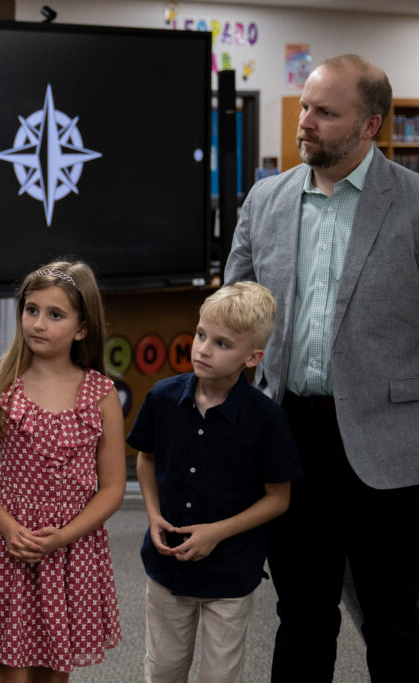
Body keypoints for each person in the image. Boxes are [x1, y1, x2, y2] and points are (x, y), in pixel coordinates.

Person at [225, 53, 419, 681]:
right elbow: (234, 315)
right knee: (303, 613)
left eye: (325, 112)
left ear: (371, 125)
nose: (305, 122)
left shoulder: (414, 205)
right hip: (290, 439)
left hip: (390, 445)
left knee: (396, 618)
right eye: (305, 107)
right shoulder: (266, 200)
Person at [0, 261, 125, 682]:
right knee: (12, 668)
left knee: (56, 667)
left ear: (82, 328)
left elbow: (112, 489)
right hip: (13, 546)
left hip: (73, 549)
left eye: (55, 315)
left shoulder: (101, 394)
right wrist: (11, 528)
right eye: (31, 310)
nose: (38, 323)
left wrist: (63, 536)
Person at [128, 282, 301, 682]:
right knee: (164, 669)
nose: (203, 349)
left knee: (220, 676)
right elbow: (146, 459)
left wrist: (216, 533)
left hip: (230, 573)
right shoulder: (162, 397)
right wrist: (153, 515)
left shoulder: (267, 419)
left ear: (253, 357)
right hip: (166, 568)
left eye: (222, 343)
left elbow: (279, 498)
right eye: (202, 334)